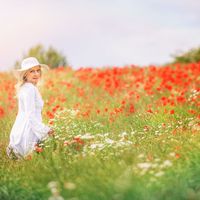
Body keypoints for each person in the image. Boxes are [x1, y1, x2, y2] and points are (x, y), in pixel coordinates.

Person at [7, 57, 54, 160]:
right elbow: (30, 115)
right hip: (29, 131)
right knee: (33, 161)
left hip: (24, 128)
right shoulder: (30, 89)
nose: (36, 74)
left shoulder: (26, 87)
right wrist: (45, 130)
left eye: (38, 70)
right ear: (25, 74)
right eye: (32, 71)